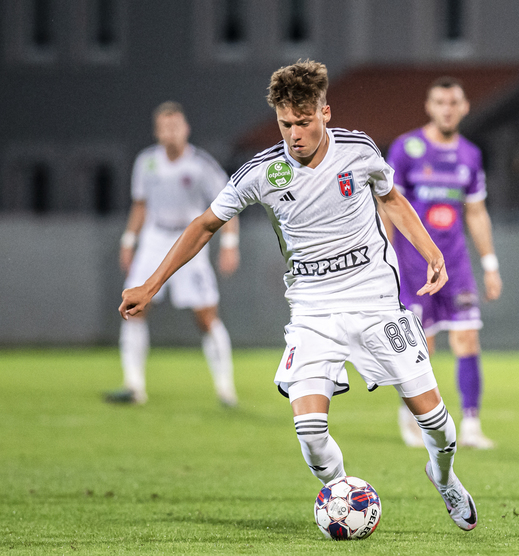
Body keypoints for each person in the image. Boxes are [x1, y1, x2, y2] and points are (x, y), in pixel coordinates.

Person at [118, 60, 478, 530]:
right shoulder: (261, 172)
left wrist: (430, 250)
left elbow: (390, 197)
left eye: (303, 122)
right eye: (285, 124)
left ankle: (444, 478)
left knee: (434, 421)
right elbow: (205, 224)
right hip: (313, 311)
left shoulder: (358, 150)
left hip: (375, 302)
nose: (294, 134)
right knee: (309, 430)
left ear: (325, 113)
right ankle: (345, 497)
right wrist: (151, 284)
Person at [383, 77, 502, 450]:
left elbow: (476, 212)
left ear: (464, 107)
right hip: (413, 266)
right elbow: (388, 205)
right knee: (423, 346)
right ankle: (411, 416)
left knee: (467, 337)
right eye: (440, 102)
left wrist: (490, 264)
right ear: (429, 106)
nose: (447, 110)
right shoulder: (407, 148)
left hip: (456, 266)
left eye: (453, 103)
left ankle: (471, 425)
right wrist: (386, 258)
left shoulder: (470, 155)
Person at [106, 101, 240, 407]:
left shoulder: (201, 165)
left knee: (206, 317)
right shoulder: (147, 162)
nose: (170, 132)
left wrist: (230, 245)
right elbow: (140, 205)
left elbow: (229, 203)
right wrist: (129, 240)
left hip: (189, 241)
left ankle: (225, 388)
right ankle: (134, 385)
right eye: (165, 127)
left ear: (186, 129)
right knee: (134, 308)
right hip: (154, 239)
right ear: (157, 132)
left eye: (175, 126)